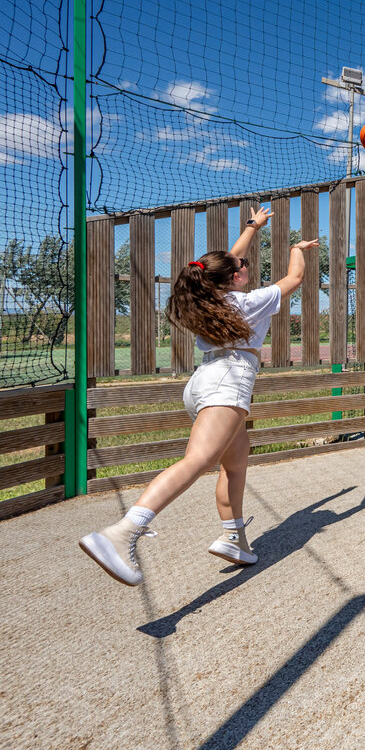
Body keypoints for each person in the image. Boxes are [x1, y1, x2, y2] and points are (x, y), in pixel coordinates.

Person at [79, 207, 320, 586]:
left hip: (205, 380)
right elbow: (295, 277)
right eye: (242, 265)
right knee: (198, 461)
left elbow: (224, 262)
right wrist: (297, 247)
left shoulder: (207, 296)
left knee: (235, 463)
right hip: (229, 380)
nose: (245, 264)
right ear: (236, 277)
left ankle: (234, 538)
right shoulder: (246, 303)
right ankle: (122, 532)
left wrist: (253, 228)